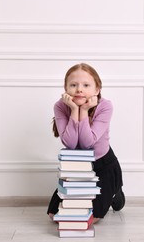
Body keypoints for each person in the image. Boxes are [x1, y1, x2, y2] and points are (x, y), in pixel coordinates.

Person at [47, 63, 125, 224]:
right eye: (73, 85)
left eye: (86, 85)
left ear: (97, 89)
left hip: (103, 164)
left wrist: (83, 111)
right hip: (77, 166)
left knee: (90, 217)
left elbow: (87, 143)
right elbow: (70, 143)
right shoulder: (61, 106)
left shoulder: (105, 106)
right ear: (65, 88)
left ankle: (115, 190)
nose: (79, 89)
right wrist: (74, 110)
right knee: (54, 215)